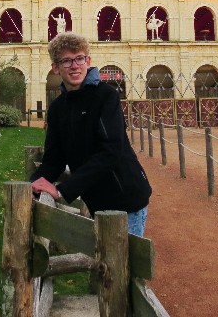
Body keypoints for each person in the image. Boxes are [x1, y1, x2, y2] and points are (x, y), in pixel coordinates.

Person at [30, 32, 152, 236]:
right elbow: (54, 160)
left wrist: (62, 191)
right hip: (97, 202)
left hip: (125, 199)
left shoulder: (106, 96)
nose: (75, 65)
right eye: (66, 61)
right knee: (105, 263)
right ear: (55, 67)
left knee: (122, 266)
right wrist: (31, 184)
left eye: (79, 58)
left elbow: (110, 151)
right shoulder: (58, 109)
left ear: (88, 61)